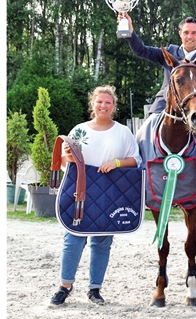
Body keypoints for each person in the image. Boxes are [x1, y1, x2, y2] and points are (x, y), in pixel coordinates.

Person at [50, 85, 142, 306]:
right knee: (73, 237)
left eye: (108, 102)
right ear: (93, 104)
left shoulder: (122, 132)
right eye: (99, 101)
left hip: (108, 190)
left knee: (102, 239)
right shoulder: (79, 130)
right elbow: (64, 163)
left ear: (113, 106)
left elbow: (136, 160)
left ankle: (94, 289)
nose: (103, 105)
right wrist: (69, 159)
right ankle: (65, 286)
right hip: (81, 188)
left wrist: (116, 163)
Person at [118, 13, 196, 154]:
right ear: (180, 34)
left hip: (194, 108)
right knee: (141, 133)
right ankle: (140, 166)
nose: (189, 36)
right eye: (186, 32)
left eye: (193, 33)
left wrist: (191, 95)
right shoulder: (169, 52)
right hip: (164, 106)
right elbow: (141, 50)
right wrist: (129, 31)